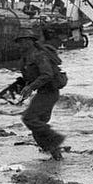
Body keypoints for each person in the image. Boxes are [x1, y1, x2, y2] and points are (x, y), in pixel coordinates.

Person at [15, 31, 66, 160]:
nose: (19, 45)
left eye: (22, 41)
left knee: (29, 119)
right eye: (19, 42)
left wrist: (30, 87)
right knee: (37, 125)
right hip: (43, 92)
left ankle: (56, 139)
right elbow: (31, 76)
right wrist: (24, 85)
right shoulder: (26, 58)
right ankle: (56, 155)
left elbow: (47, 74)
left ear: (30, 41)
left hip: (49, 92)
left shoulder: (39, 55)